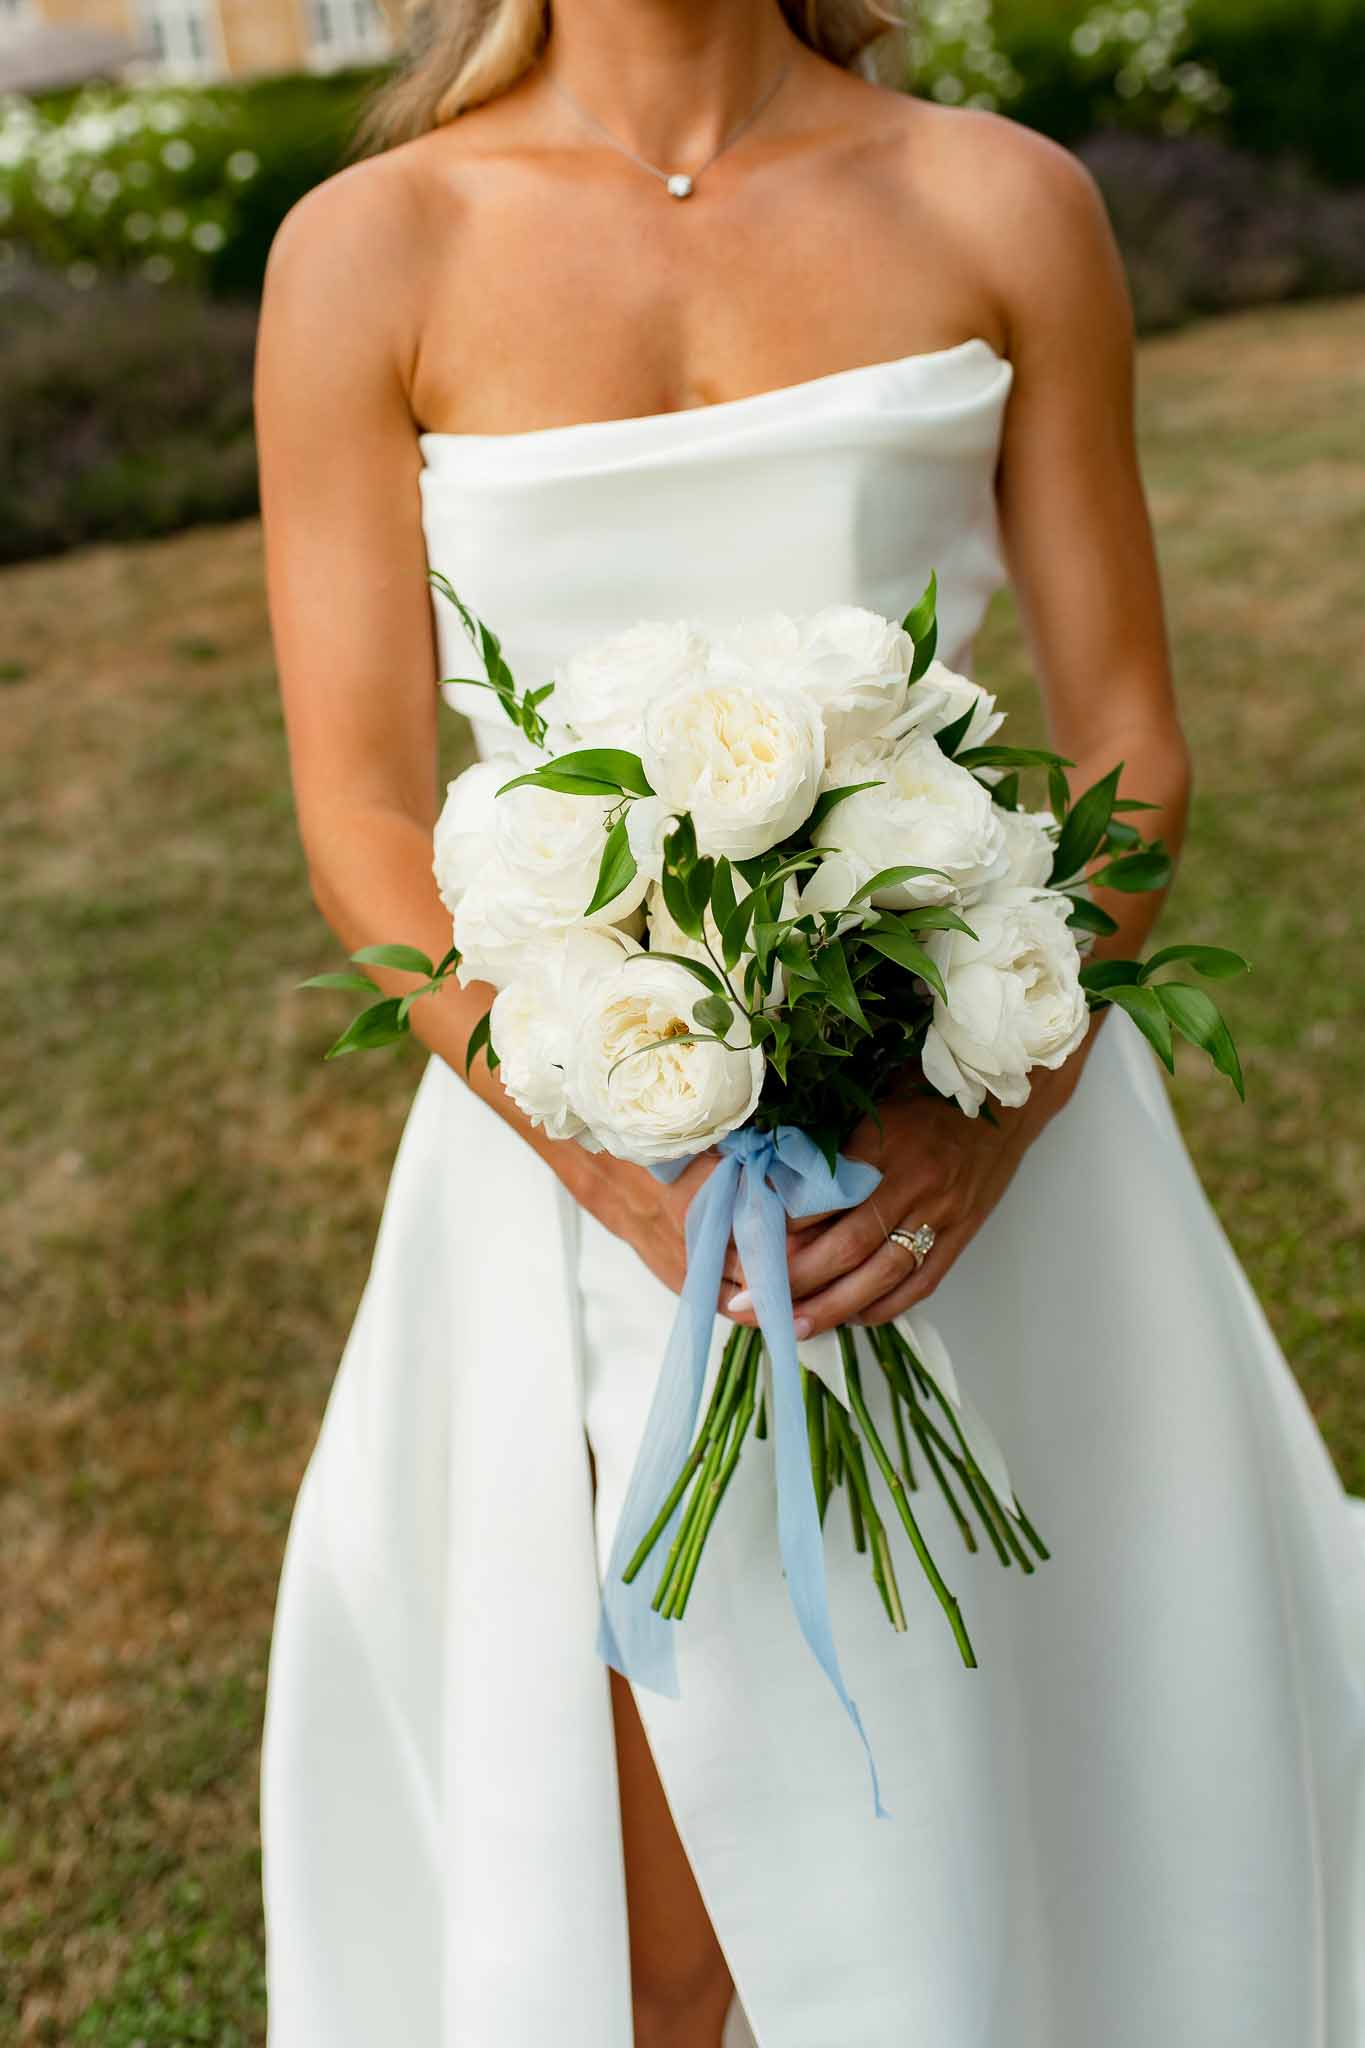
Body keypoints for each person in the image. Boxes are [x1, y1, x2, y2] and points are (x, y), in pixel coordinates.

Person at [253, 4, 1365, 2043]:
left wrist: (982, 1129)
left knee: (1042, 1836)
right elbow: (360, 813)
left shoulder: (998, 202)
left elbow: (1128, 745)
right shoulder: (367, 246)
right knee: (646, 1932)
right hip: (571, 1187)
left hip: (974, 1161)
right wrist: (609, 1147)